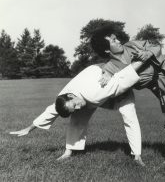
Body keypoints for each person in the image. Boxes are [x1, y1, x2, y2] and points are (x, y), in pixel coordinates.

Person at [11, 10, 165, 164]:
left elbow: (157, 48)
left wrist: (149, 52)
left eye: (115, 37)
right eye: (112, 41)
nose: (116, 39)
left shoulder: (132, 44)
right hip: (160, 85)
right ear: (106, 50)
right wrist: (31, 126)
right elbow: (68, 101)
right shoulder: (109, 68)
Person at [10, 36, 152, 166]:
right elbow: (51, 111)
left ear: (72, 97)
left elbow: (122, 79)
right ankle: (68, 152)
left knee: (129, 115)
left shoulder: (94, 91)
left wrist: (142, 59)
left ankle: (137, 156)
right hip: (94, 92)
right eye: (74, 108)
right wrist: (29, 128)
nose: (77, 108)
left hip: (115, 83)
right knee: (77, 119)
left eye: (75, 105)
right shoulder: (65, 98)